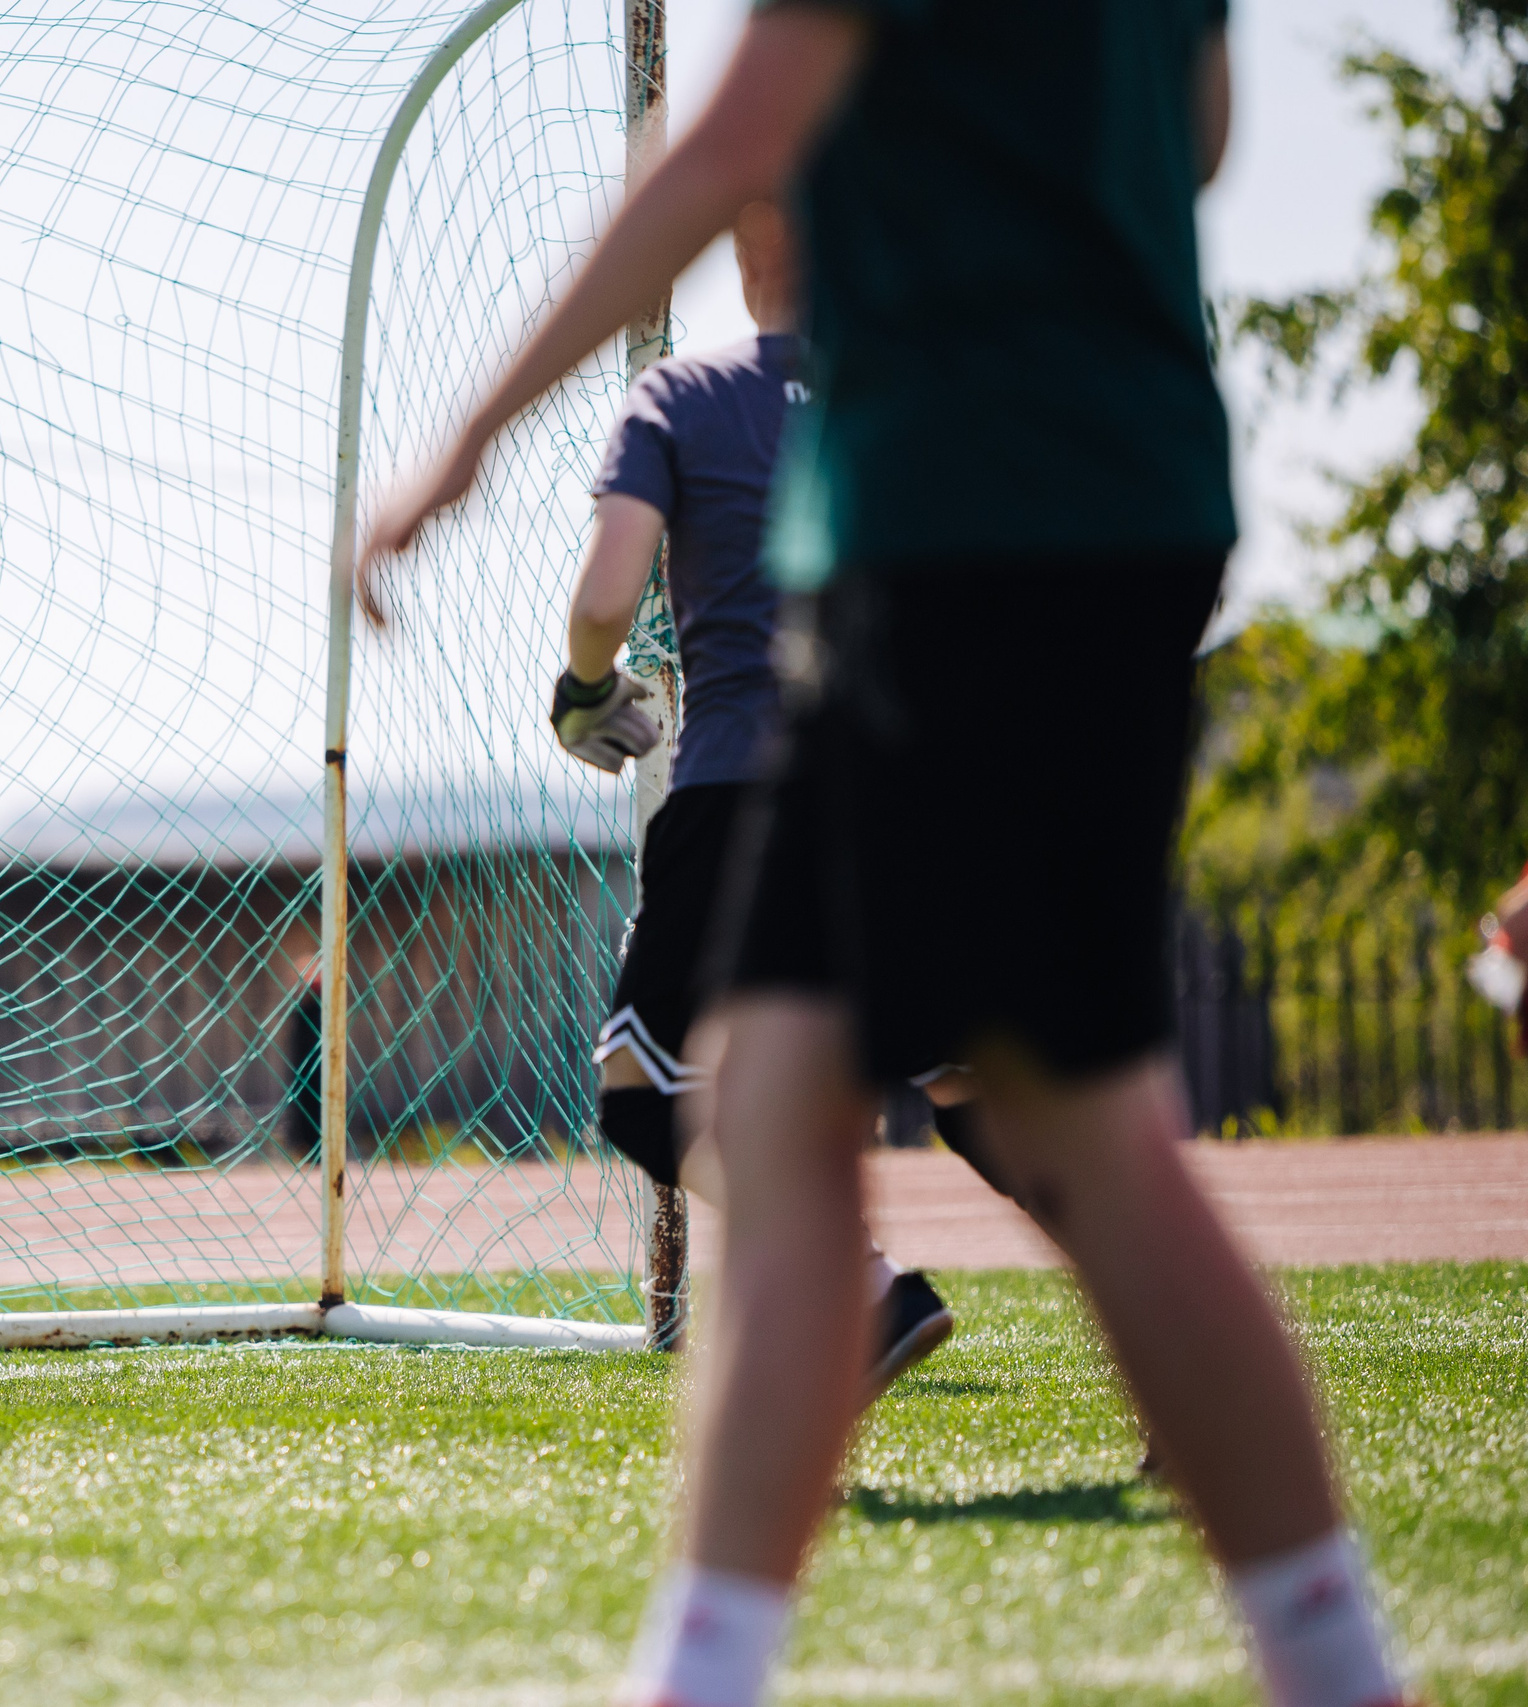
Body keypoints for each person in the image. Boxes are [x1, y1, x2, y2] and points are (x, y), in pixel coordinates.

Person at [359, 6, 1408, 1707]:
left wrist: (461, 447)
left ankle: (1332, 1667)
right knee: (892, 1104)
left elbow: (724, 145)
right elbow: (1197, 137)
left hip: (959, 512)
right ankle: (709, 1668)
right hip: (1133, 488)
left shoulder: (691, 394)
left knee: (964, 1119)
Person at [564, 199, 1009, 1392]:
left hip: (747, 793)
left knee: (638, 1091)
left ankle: (860, 1288)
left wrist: (583, 692)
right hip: (912, 799)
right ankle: (1178, 1341)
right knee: (968, 1082)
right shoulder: (914, 394)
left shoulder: (681, 397)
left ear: (743, 234)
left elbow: (608, 596)